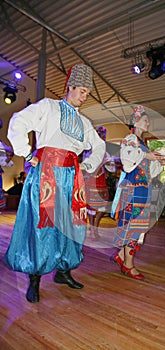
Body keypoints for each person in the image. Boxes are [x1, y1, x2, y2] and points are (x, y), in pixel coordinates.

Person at [4, 64, 106, 303]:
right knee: (43, 225)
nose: (84, 96)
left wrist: (88, 166)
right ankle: (35, 279)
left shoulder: (84, 122)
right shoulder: (48, 107)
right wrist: (26, 154)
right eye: (81, 90)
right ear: (69, 86)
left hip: (72, 178)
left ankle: (63, 271)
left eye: (87, 93)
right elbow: (18, 121)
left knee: (72, 225)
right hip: (46, 174)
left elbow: (99, 145)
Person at [111, 105, 165, 280]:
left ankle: (122, 256)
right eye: (146, 120)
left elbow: (147, 168)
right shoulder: (130, 139)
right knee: (133, 225)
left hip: (142, 188)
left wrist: (160, 162)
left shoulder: (141, 143)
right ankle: (128, 264)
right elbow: (127, 159)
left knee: (134, 224)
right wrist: (147, 156)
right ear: (136, 121)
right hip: (133, 189)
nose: (148, 123)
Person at [83, 125, 110, 240]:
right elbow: (86, 165)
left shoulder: (105, 149)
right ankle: (94, 230)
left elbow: (110, 164)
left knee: (103, 206)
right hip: (91, 180)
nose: (102, 137)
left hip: (101, 179)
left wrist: (108, 166)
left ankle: (94, 228)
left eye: (104, 135)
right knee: (90, 206)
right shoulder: (89, 149)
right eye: (100, 135)